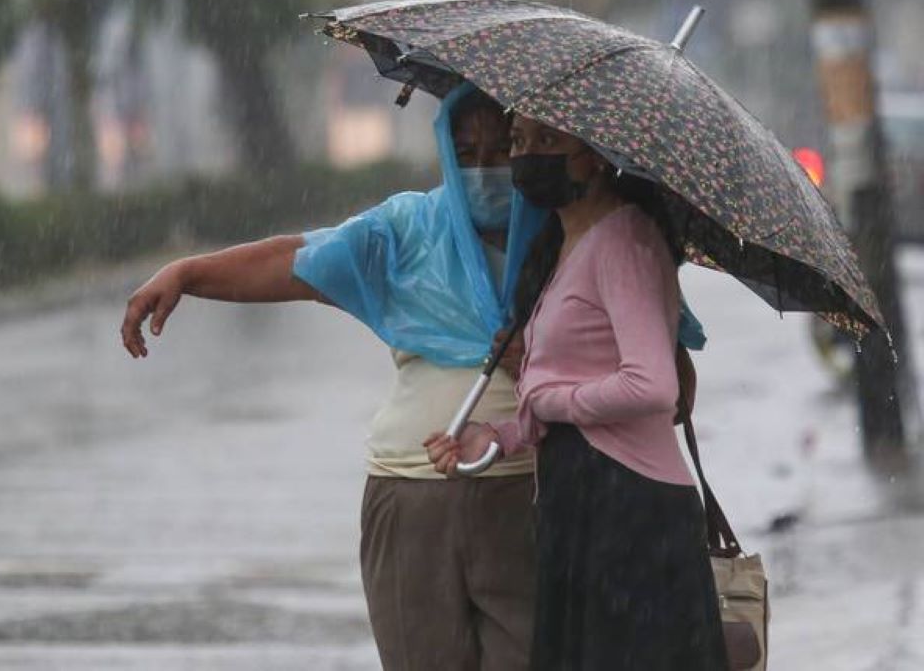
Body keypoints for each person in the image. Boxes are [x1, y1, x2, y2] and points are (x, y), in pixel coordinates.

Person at [122, 83, 548, 670]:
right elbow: (298, 262)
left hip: (526, 492)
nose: (483, 168)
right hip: (408, 495)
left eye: (501, 149)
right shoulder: (406, 230)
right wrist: (188, 273)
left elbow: (651, 369)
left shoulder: (566, 237)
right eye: (466, 150)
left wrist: (538, 357)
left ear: (528, 148)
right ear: (445, 150)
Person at [426, 115, 728, 670]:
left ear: (595, 155)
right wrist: (498, 437)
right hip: (579, 505)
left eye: (548, 141)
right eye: (519, 141)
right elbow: (565, 383)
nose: (524, 155)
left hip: (631, 506)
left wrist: (549, 401)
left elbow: (653, 385)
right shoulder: (561, 246)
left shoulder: (624, 238)